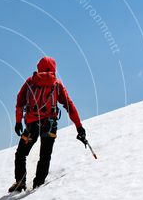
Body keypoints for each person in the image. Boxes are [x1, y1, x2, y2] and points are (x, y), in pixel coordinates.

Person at [9, 56, 86, 192]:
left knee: (21, 153)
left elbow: (20, 102)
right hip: (50, 125)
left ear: (39, 66)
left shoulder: (30, 81)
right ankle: (39, 184)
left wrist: (17, 121)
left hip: (32, 124)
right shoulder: (57, 84)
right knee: (45, 154)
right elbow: (70, 106)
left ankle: (20, 183)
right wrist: (79, 127)